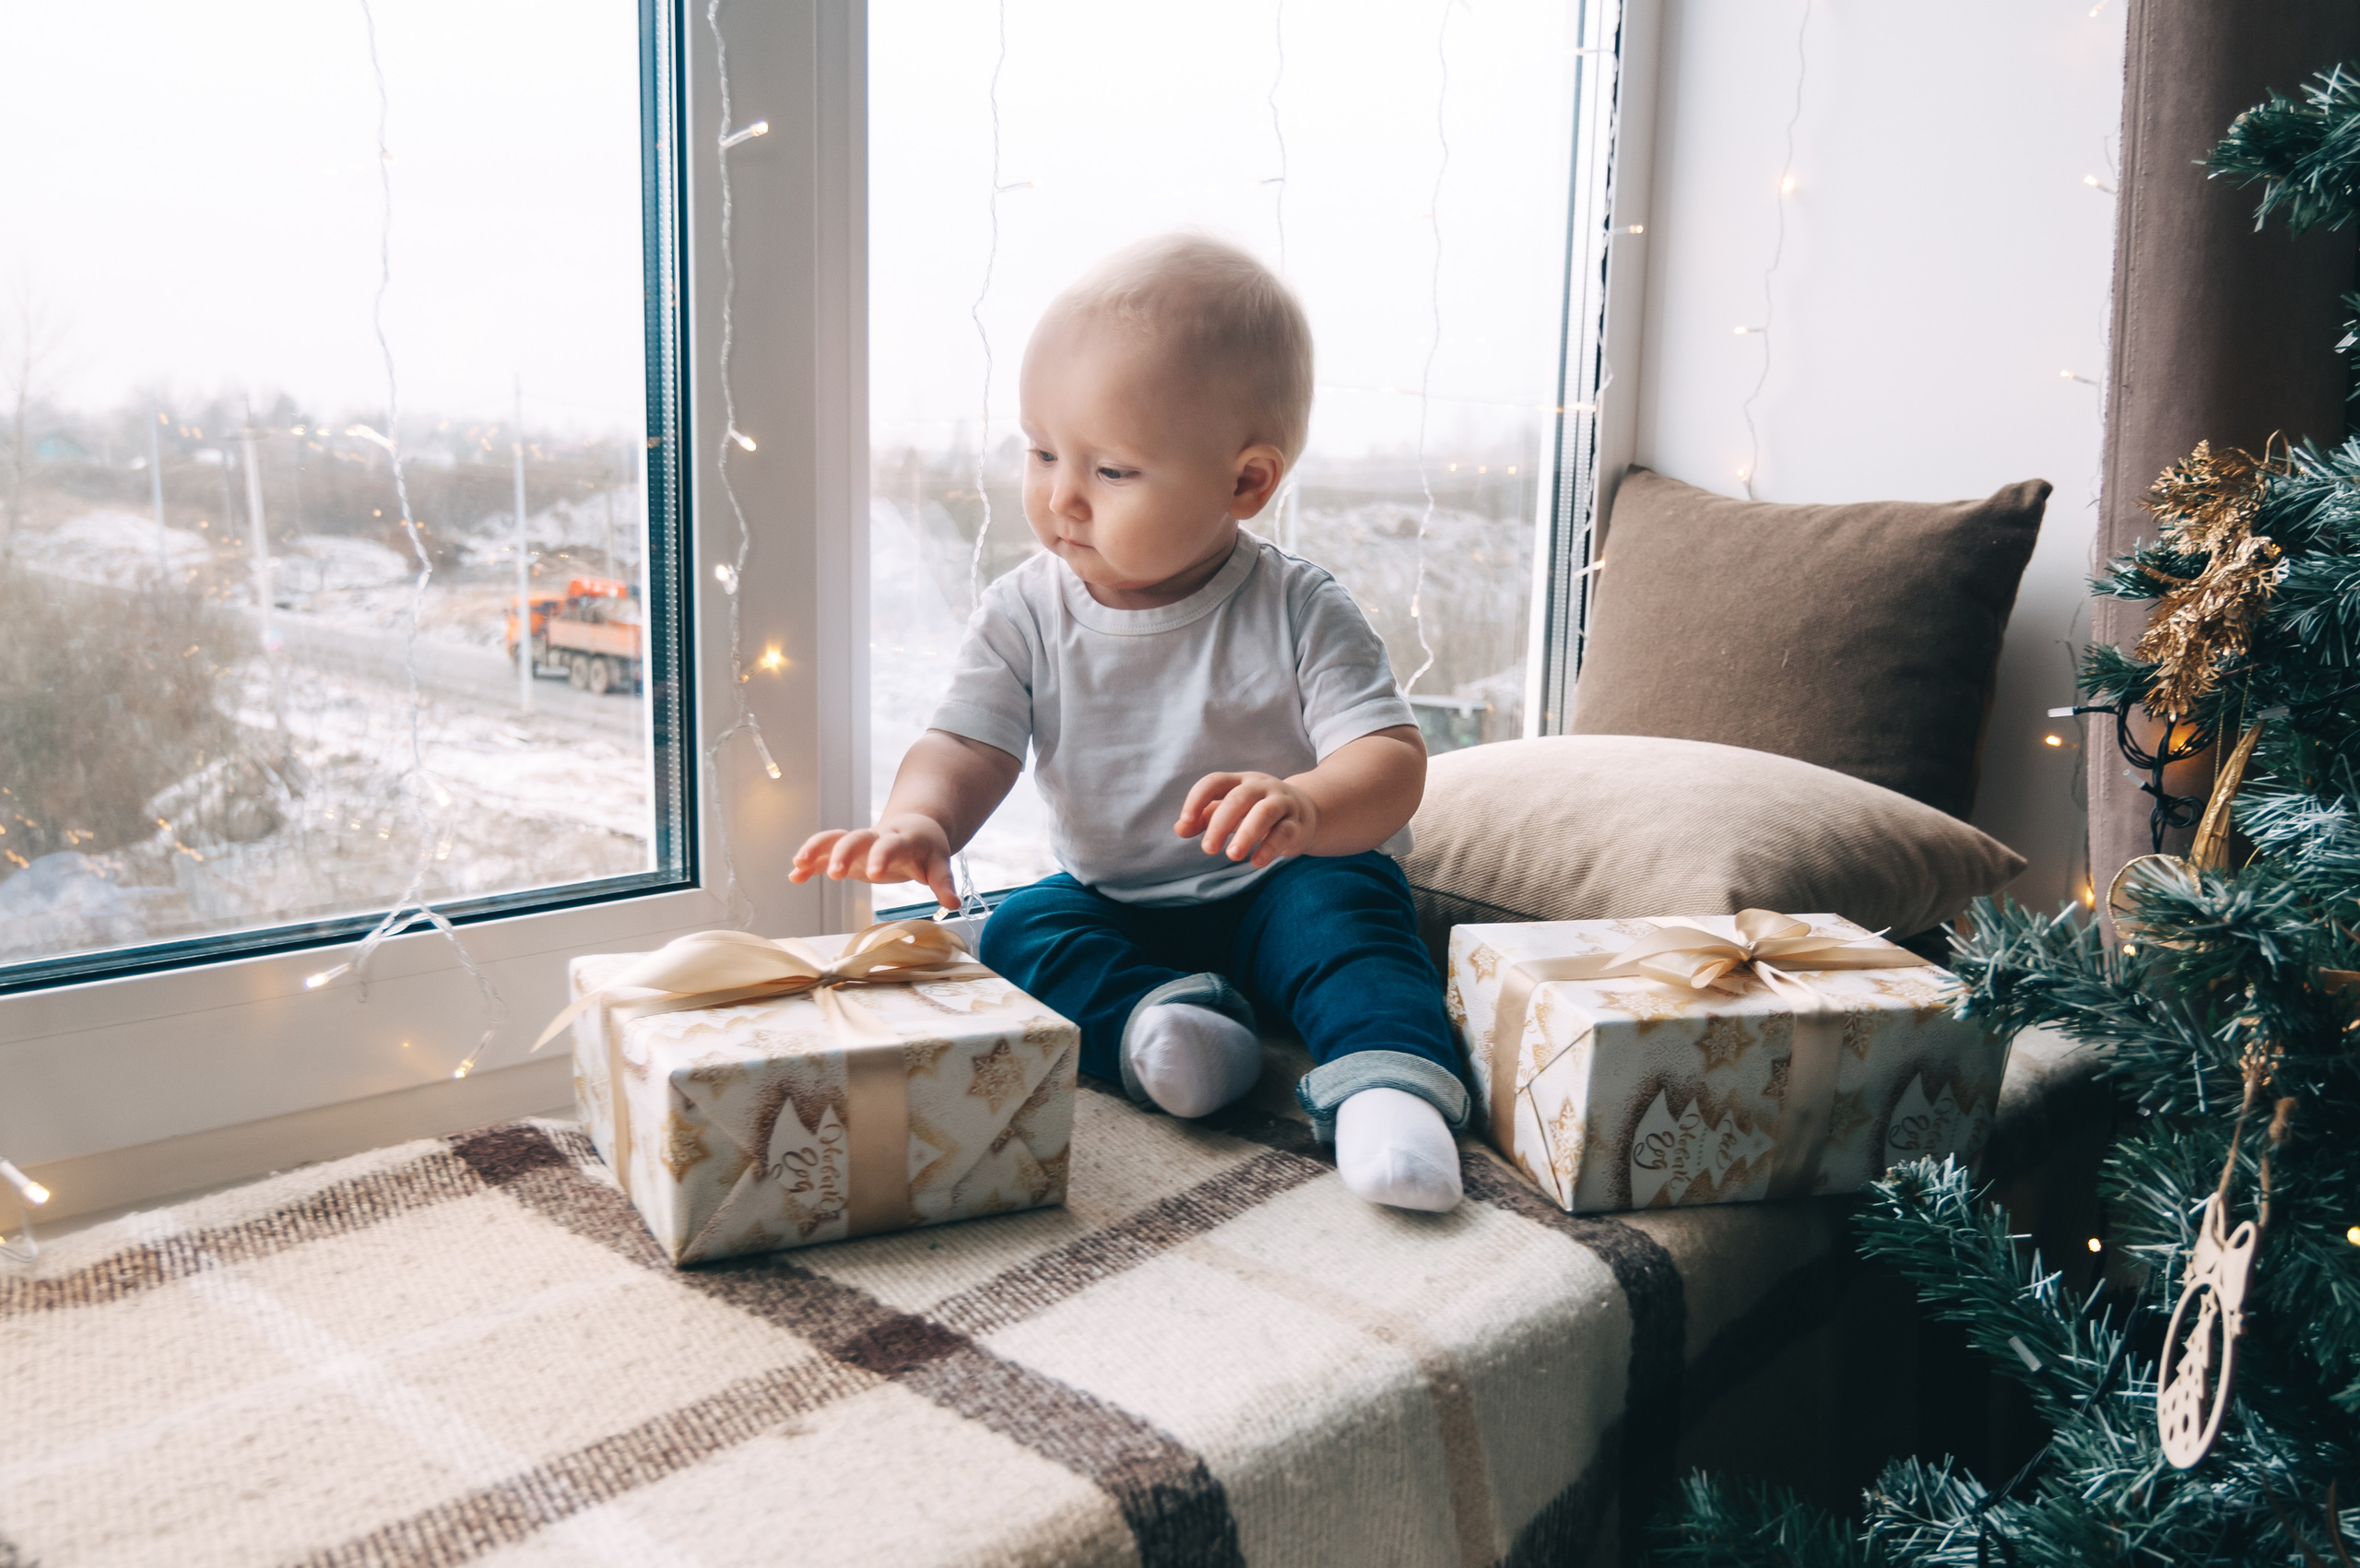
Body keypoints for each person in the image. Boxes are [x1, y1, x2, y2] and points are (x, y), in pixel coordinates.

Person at [790, 233, 1466, 1212]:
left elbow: (1391, 758)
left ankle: (1391, 1091)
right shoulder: (1024, 609)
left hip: (1283, 881)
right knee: (1018, 929)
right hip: (1119, 901)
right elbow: (967, 742)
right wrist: (922, 820)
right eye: (1042, 452)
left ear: (1244, 483)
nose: (1060, 495)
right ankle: (1172, 1031)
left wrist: (1308, 808)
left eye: (1111, 471)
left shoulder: (1298, 606)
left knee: (1355, 927)